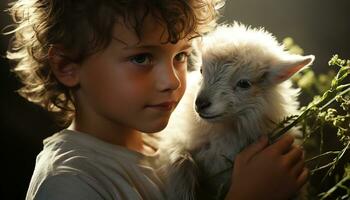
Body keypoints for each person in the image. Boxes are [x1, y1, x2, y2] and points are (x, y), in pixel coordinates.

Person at [5, 0, 308, 199]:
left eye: (181, 56)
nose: (174, 81)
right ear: (67, 66)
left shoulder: (168, 142)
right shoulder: (69, 183)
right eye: (141, 58)